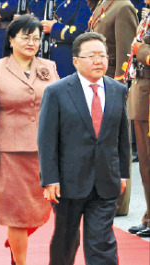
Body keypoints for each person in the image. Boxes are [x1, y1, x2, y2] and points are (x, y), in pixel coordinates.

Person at [38, 32, 130, 265]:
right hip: (68, 183)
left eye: (103, 55)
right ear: (76, 61)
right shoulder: (57, 92)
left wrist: (123, 174)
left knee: (102, 242)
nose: (99, 61)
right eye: (91, 56)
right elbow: (47, 140)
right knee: (66, 241)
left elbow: (121, 137)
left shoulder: (118, 90)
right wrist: (49, 179)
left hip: (105, 180)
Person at [0, 14, 59, 265]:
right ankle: (20, 262)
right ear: (11, 39)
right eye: (25, 37)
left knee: (39, 211)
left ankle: (15, 246)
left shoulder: (48, 67)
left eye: (36, 38)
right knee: (16, 214)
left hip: (45, 153)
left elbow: (59, 108)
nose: (31, 42)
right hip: (10, 155)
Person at [88, 0, 138, 216]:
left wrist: (118, 88)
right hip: (97, 81)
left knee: (117, 144)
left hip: (111, 83)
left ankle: (118, 203)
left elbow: (126, 53)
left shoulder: (123, 7)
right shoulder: (104, 4)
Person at [127, 2, 150, 238]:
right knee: (145, 163)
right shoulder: (147, 14)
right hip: (142, 89)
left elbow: (141, 49)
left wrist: (141, 50)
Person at [41, 0, 92, 78]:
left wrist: (54, 28)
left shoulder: (83, 2)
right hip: (48, 55)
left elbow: (82, 32)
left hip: (68, 59)